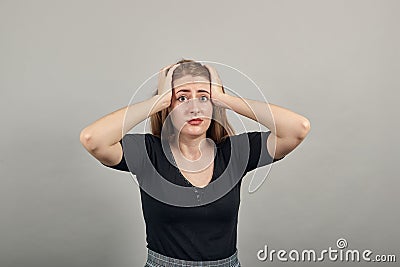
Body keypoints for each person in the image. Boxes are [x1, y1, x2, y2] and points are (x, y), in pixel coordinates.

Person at [80, 59, 311, 267]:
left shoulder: (235, 152)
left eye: (203, 97)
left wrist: (224, 99)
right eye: (182, 98)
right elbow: (93, 139)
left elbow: (297, 129)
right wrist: (156, 102)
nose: (194, 108)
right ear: (168, 106)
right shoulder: (148, 153)